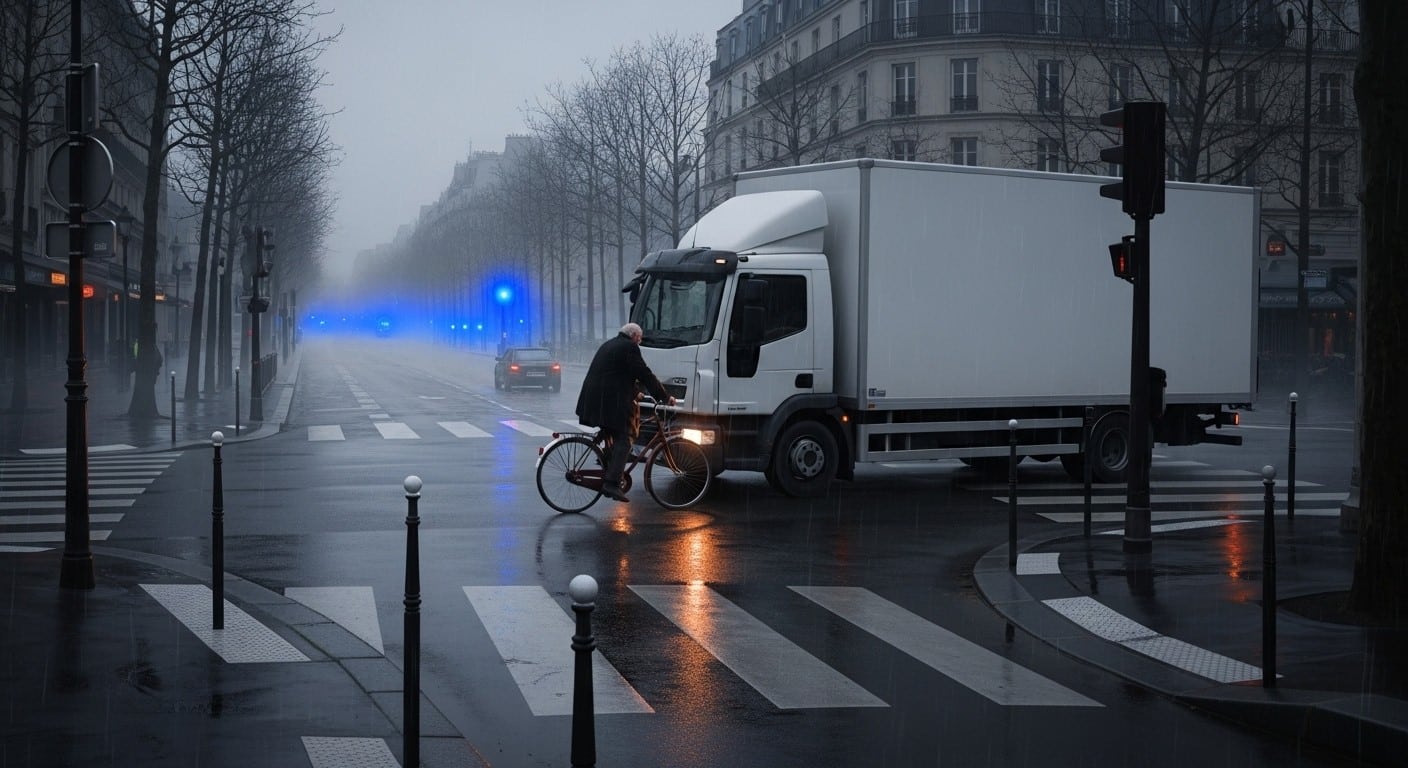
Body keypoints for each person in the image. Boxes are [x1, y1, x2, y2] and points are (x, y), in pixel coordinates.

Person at [576, 322, 675, 502]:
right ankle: (611, 482)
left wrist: (636, 391)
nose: (640, 342)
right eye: (639, 338)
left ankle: (609, 465)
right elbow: (644, 373)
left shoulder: (612, 344)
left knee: (615, 434)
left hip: (595, 399)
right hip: (607, 401)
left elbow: (620, 373)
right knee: (625, 438)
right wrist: (664, 396)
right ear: (634, 336)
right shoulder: (629, 347)